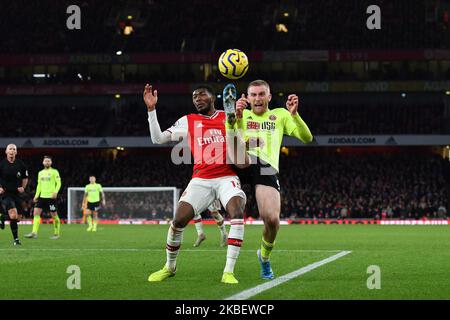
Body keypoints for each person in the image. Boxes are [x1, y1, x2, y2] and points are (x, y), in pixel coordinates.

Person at [144, 84, 249, 284]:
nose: (197, 98)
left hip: (227, 176)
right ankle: (169, 267)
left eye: (201, 94)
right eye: (194, 96)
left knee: (236, 212)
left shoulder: (229, 116)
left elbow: (242, 154)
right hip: (201, 179)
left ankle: (228, 271)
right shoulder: (188, 121)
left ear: (212, 98)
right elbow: (157, 139)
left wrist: (238, 120)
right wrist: (151, 110)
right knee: (178, 221)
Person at [228, 79, 313, 279]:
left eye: (261, 94)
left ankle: (264, 258)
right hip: (240, 161)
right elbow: (229, 139)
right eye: (253, 95)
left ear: (269, 97)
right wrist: (233, 118)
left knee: (272, 220)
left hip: (265, 167)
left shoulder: (281, 115)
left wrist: (295, 115)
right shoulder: (242, 114)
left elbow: (307, 137)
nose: (257, 98)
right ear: (247, 98)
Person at [25, 156, 62, 239]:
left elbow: (59, 183)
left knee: (54, 215)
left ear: (51, 162)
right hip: (42, 197)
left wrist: (55, 192)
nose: (47, 162)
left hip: (51, 197)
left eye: (49, 161)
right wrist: (36, 196)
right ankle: (34, 232)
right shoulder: (40, 173)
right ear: (43, 162)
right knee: (36, 213)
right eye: (46, 161)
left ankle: (56, 234)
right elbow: (39, 185)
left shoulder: (54, 172)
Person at [0, 144, 29, 245]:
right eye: (10, 149)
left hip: (17, 194)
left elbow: (25, 178)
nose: (12, 151)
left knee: (18, 218)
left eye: (14, 149)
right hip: (6, 193)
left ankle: (3, 216)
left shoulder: (21, 164)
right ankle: (16, 240)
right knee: (13, 215)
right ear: (6, 152)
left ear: (16, 152)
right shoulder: (2, 164)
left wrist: (23, 188)